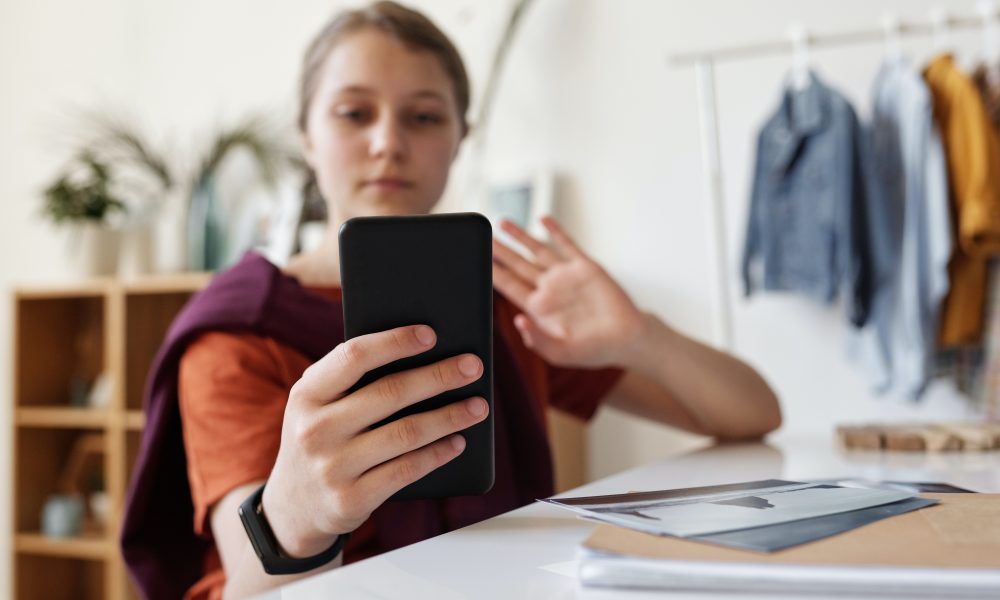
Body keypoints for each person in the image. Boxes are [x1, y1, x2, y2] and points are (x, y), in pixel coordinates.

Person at [120, 3, 781, 599]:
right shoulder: (236, 335)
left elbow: (753, 414)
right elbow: (249, 586)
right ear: (306, 136)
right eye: (354, 113)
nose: (389, 142)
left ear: (460, 137)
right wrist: (297, 515)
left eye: (424, 116)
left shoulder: (505, 302)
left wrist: (642, 337)